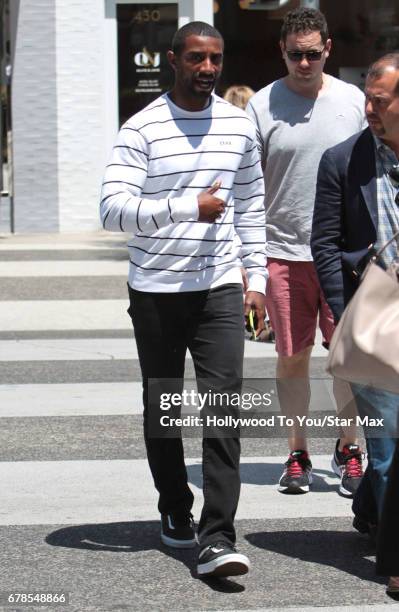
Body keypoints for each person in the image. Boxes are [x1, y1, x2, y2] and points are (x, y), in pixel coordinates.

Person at [100, 21, 267, 578]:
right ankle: (175, 506)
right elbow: (111, 210)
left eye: (215, 59)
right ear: (173, 60)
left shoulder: (238, 126)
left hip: (219, 286)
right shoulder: (142, 129)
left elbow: (250, 207)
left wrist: (257, 280)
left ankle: (218, 537)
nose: (207, 69)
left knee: (224, 409)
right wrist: (183, 207)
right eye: (196, 58)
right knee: (164, 407)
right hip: (156, 291)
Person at [246, 7, 366, 495]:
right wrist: (249, 263)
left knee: (348, 360)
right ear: (283, 51)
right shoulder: (260, 105)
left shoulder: (353, 101)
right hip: (283, 252)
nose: (303, 63)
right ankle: (297, 452)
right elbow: (247, 188)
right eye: (295, 54)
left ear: (328, 50)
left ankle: (349, 449)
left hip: (344, 255)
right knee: (291, 357)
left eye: (312, 54)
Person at [311, 53, 399, 538]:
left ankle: (370, 508)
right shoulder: (343, 161)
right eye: (367, 97)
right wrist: (345, 316)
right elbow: (324, 245)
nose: (368, 107)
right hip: (374, 319)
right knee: (386, 447)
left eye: (380, 100)